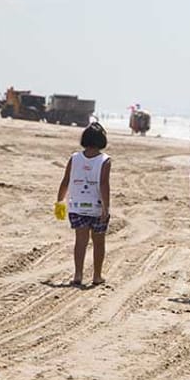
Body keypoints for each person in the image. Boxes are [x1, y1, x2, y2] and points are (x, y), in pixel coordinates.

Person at [55, 122, 111, 286]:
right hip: (96, 207)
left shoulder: (74, 158)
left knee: (80, 241)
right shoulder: (105, 160)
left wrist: (59, 201)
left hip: (77, 206)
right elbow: (104, 185)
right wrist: (106, 208)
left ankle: (78, 275)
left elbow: (65, 181)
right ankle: (97, 276)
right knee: (99, 242)